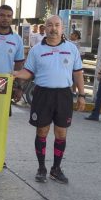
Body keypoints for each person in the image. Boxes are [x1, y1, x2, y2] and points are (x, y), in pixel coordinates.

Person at [13, 15, 86, 185]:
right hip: (42, 94)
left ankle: (56, 169)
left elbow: (78, 73)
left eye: (57, 25)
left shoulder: (71, 49)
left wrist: (81, 95)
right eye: (50, 25)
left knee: (61, 133)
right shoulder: (36, 50)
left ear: (62, 28)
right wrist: (16, 74)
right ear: (45, 28)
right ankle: (41, 168)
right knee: (42, 132)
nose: (53, 28)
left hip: (63, 95)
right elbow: (28, 73)